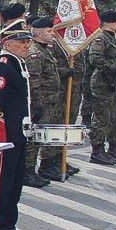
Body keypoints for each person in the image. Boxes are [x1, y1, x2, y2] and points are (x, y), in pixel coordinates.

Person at [0, 19, 34, 230]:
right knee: (2, 182)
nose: (26, 45)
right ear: (7, 43)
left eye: (27, 41)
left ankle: (8, 223)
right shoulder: (3, 65)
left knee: (14, 181)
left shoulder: (17, 64)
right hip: (6, 135)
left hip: (19, 132)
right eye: (21, 41)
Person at [40, 21, 85, 180]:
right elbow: (48, 69)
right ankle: (48, 162)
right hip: (57, 94)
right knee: (54, 126)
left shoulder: (72, 46)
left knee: (65, 126)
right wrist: (65, 71)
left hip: (71, 92)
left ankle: (59, 159)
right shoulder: (52, 46)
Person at [24, 17, 63, 185]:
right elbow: (33, 82)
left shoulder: (45, 50)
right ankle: (27, 171)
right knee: (33, 138)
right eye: (49, 31)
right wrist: (37, 104)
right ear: (39, 33)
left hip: (48, 102)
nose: (52, 34)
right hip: (39, 103)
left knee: (40, 136)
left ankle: (35, 169)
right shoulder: (35, 53)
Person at [86, 10, 116, 165]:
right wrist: (112, 68)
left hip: (114, 84)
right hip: (103, 83)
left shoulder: (114, 39)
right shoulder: (100, 38)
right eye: (115, 21)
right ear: (107, 22)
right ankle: (97, 151)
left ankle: (114, 147)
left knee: (114, 117)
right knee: (101, 118)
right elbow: (95, 58)